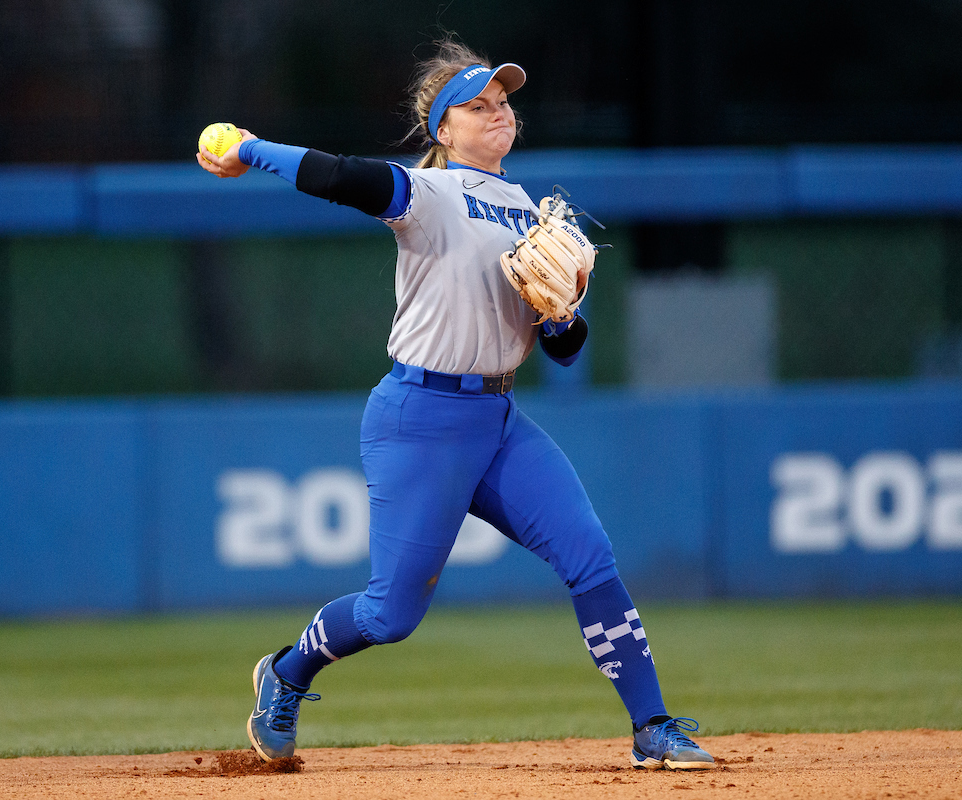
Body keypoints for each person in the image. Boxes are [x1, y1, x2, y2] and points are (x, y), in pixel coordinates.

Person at [197, 38, 715, 772]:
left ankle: (652, 728)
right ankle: (286, 671)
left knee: (590, 556)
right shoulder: (428, 194)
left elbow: (565, 351)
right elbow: (340, 176)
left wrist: (562, 318)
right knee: (389, 616)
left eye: (503, 102)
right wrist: (252, 150)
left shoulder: (530, 213)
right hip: (421, 419)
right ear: (443, 128)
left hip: (499, 421)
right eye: (478, 106)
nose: (498, 112)